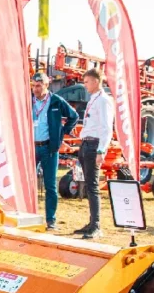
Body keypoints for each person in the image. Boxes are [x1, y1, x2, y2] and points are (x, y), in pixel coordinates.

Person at [31, 72, 78, 230]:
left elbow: (74, 116)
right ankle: (27, 215)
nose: (35, 89)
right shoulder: (28, 102)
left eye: (38, 86)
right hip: (31, 147)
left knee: (50, 185)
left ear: (46, 85)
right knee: (27, 183)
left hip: (49, 148)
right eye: (33, 86)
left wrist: (61, 133)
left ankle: (51, 220)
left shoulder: (56, 101)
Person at [75, 68, 114, 239]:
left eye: (87, 82)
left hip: (94, 145)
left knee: (93, 186)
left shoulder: (104, 101)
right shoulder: (93, 99)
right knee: (88, 185)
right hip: (86, 143)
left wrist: (101, 150)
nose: (85, 85)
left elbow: (106, 128)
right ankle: (91, 222)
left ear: (97, 81)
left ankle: (96, 225)